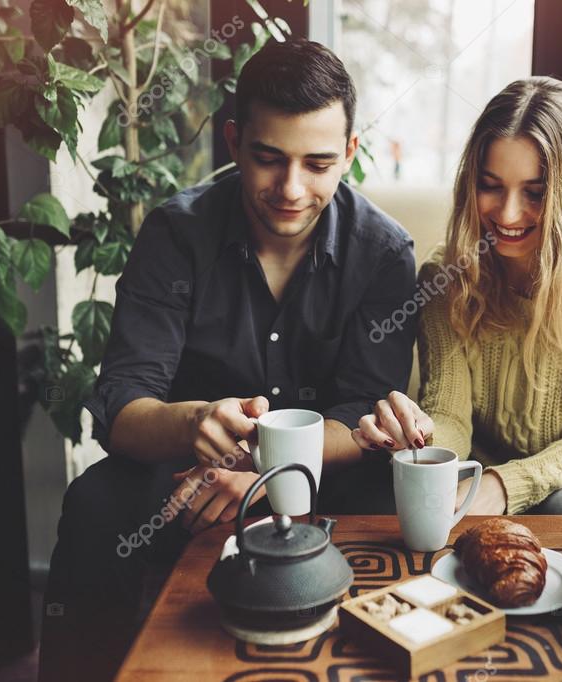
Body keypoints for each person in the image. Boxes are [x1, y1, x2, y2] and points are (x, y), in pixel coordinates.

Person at [38, 39, 416, 681]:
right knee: (95, 503)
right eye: (269, 159)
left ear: (349, 155)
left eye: (318, 164)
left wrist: (268, 475)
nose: (292, 190)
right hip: (188, 477)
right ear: (235, 140)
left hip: (326, 474)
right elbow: (122, 408)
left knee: (392, 491)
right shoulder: (174, 235)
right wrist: (191, 424)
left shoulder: (382, 253)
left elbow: (362, 413)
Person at [353, 76, 562, 516]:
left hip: (553, 482)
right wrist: (421, 439)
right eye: (491, 185)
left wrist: (502, 485)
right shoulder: (448, 275)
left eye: (535, 193)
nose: (508, 213)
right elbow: (450, 414)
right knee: (381, 486)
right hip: (466, 473)